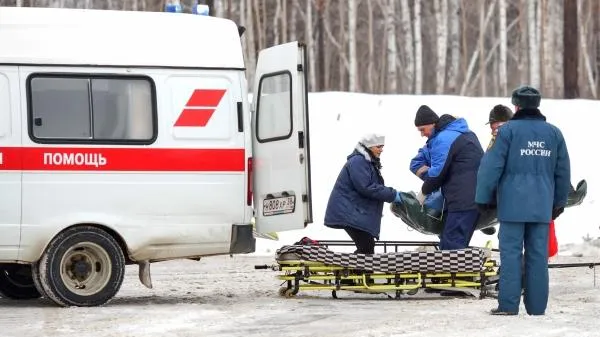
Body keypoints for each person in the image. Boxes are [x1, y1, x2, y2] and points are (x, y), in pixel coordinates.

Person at [475, 85, 571, 316]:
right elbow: (562, 171)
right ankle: (537, 308)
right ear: (537, 105)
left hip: (511, 206)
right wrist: (558, 203)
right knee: (538, 257)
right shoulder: (554, 133)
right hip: (541, 206)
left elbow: (490, 167)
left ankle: (508, 306)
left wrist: (483, 198)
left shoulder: (507, 132)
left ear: (516, 106)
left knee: (510, 255)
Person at [410, 105, 484, 250]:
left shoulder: (443, 139)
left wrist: (424, 192)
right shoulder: (462, 132)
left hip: (463, 199)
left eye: (422, 129)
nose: (422, 134)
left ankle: (455, 273)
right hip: (472, 197)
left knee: (451, 249)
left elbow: (438, 173)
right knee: (454, 245)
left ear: (432, 124)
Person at [324, 133, 402, 254]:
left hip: (353, 212)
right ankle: (350, 270)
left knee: (367, 246)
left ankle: (354, 270)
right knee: (366, 246)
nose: (382, 150)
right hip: (348, 212)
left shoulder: (367, 162)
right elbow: (366, 187)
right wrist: (393, 195)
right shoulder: (358, 161)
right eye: (379, 146)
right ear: (369, 146)